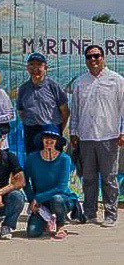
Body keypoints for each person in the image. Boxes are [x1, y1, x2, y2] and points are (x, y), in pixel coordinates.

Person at [70, 45, 124, 227]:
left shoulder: (116, 80)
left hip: (110, 136)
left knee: (109, 178)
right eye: (89, 57)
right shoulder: (80, 82)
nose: (93, 60)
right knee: (89, 177)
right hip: (86, 137)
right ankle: (90, 212)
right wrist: (73, 132)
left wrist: (123, 131)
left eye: (96, 56)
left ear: (103, 57)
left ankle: (110, 214)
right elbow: (75, 111)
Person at [24, 124, 78, 239]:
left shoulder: (65, 159)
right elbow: (24, 180)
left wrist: (38, 198)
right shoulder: (32, 158)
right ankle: (46, 220)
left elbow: (62, 187)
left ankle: (61, 225)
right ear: (41, 139)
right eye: (46, 137)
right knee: (32, 232)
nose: (49, 140)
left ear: (57, 141)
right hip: (41, 202)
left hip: (62, 198)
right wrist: (31, 199)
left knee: (57, 199)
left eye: (53, 137)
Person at [17, 53, 69, 154]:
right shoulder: (23, 88)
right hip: (31, 130)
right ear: (27, 68)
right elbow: (21, 112)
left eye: (39, 65)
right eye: (32, 64)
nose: (35, 68)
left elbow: (65, 111)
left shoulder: (53, 86)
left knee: (53, 162)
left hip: (51, 128)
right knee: (33, 162)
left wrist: (58, 129)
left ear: (46, 68)